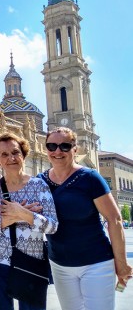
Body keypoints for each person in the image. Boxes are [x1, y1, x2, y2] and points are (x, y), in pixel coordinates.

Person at [38, 127, 133, 310]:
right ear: (46, 149)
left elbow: (114, 220)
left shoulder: (90, 178)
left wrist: (121, 264)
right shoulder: (39, 182)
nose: (58, 151)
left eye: (65, 146)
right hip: (60, 265)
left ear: (75, 149)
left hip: (96, 263)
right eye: (52, 146)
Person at [0, 132, 58, 310]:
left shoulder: (39, 186)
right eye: (4, 155)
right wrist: (8, 218)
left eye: (15, 152)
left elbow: (53, 225)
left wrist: (23, 214)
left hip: (31, 261)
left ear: (23, 155)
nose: (11, 158)